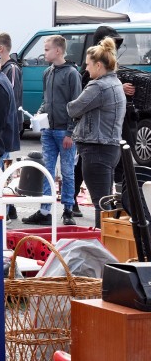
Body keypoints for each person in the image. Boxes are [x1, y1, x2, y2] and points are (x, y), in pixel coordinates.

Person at [22, 35, 81, 226]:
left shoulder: (72, 74)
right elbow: (46, 100)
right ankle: (45, 210)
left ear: (58, 51)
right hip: (49, 131)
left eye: (46, 49)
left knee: (67, 171)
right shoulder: (47, 72)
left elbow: (76, 104)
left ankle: (68, 210)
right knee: (47, 170)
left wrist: (71, 132)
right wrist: (39, 116)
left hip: (64, 131)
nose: (44, 52)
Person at [67, 37, 126, 228]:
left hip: (96, 149)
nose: (86, 69)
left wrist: (68, 104)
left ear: (99, 65)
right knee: (105, 200)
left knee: (101, 203)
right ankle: (108, 241)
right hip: (109, 147)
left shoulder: (98, 86)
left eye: (88, 64)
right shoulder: (115, 82)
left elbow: (73, 109)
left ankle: (104, 243)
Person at [0, 31, 23, 220]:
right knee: (1, 166)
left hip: (7, 127)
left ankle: (9, 207)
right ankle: (7, 207)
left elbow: (8, 96)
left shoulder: (10, 69)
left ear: (1, 48)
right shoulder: (4, 69)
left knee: (3, 167)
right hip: (4, 127)